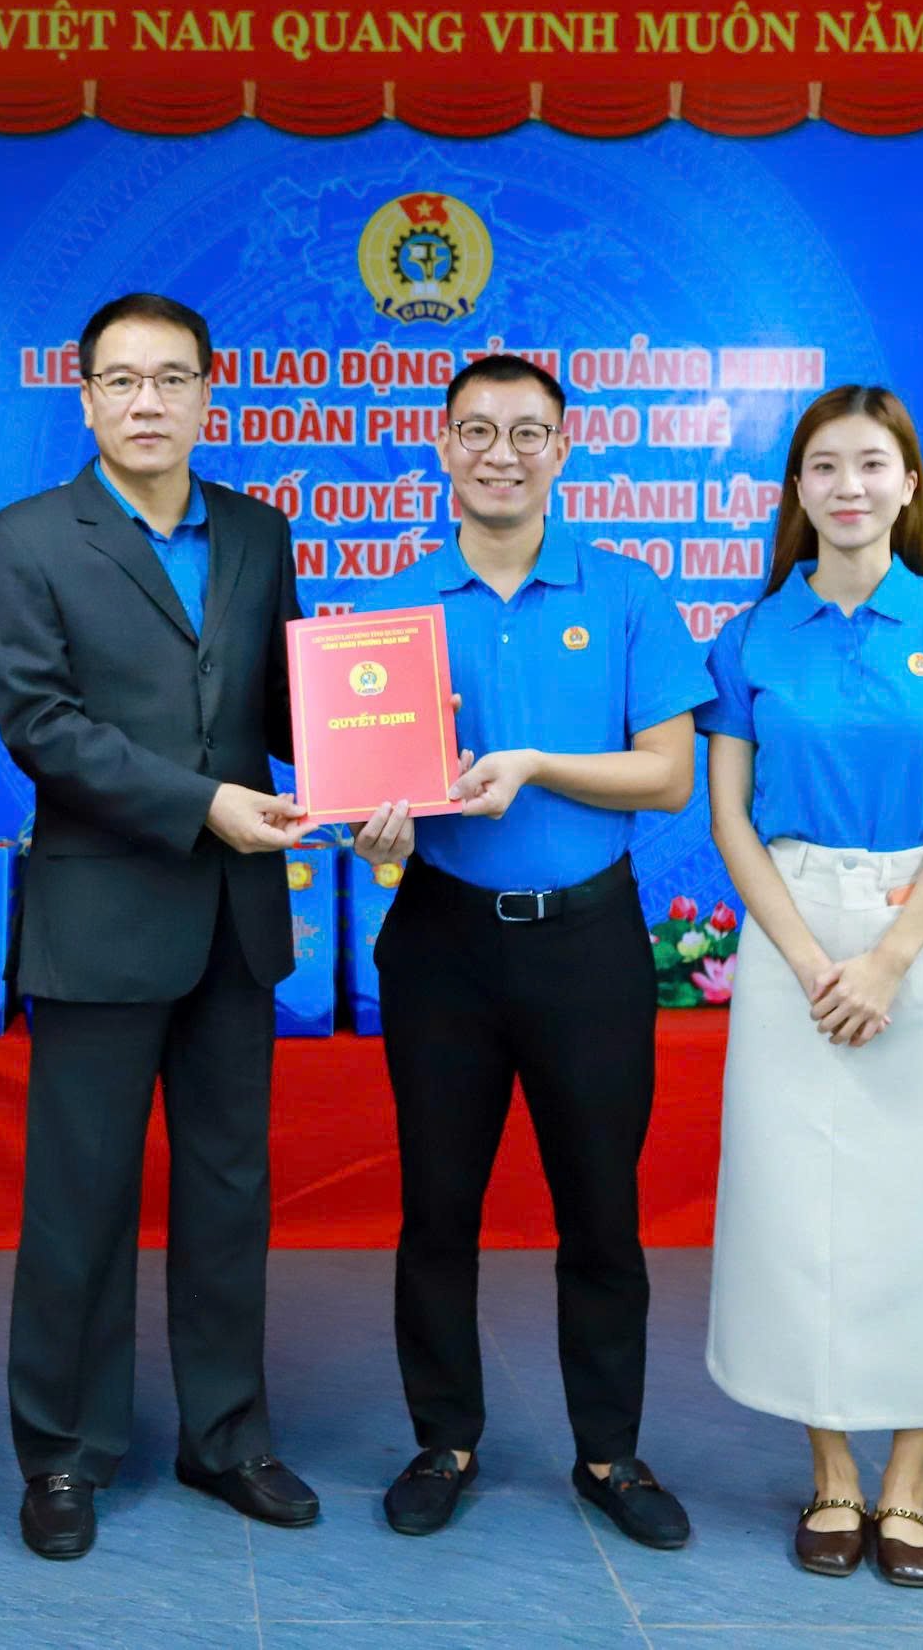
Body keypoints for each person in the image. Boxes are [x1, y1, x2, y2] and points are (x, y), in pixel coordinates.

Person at [0, 292, 317, 1560]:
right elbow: (42, 726)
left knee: (229, 1189)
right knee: (81, 1198)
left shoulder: (257, 530)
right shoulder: (21, 539)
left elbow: (283, 702)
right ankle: (65, 1451)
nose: (147, 402)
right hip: (101, 913)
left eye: (171, 378)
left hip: (234, 920)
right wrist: (203, 804)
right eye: (120, 381)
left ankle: (226, 1435)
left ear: (208, 393)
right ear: (85, 400)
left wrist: (388, 741)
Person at [352, 354, 713, 1549]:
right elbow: (369, 783)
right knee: (435, 1207)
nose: (498, 453)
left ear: (564, 449)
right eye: (475, 431)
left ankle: (609, 1452)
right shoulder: (396, 605)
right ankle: (442, 1439)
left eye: (524, 432)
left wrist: (538, 764)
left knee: (601, 1209)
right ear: (441, 448)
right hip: (441, 940)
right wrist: (372, 826)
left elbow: (668, 776)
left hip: (587, 941)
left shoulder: (626, 593)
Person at [696, 385, 923, 1588]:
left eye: (872, 464)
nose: (849, 486)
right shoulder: (749, 638)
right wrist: (806, 962)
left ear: (906, 485)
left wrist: (889, 958)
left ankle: (910, 1485)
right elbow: (730, 819)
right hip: (792, 932)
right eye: (824, 466)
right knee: (799, 1211)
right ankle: (832, 1470)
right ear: (796, 490)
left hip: (917, 928)